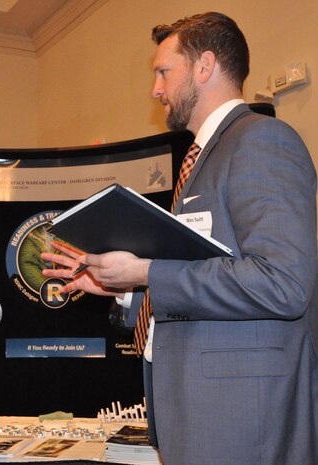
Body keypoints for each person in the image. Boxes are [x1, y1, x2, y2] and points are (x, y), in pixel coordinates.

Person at [42, 12, 317, 465]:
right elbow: (203, 268)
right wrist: (127, 287)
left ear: (204, 67)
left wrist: (147, 271)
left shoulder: (262, 140)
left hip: (245, 422)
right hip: (200, 414)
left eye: (163, 72)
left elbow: (284, 284)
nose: (155, 89)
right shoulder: (202, 159)